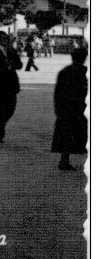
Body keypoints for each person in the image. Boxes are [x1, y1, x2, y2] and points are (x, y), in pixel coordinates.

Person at [53, 39, 88, 171]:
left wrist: (58, 108)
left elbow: (57, 92)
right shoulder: (86, 72)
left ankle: (64, 160)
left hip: (66, 109)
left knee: (66, 135)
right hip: (81, 108)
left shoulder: (64, 71)